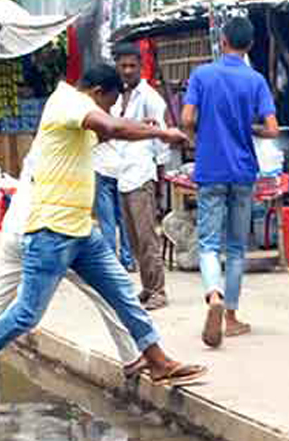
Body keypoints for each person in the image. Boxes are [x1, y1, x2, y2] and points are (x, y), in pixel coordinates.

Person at [0, 65, 206, 404]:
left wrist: (144, 128)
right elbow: (109, 126)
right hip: (52, 229)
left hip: (79, 230)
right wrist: (161, 134)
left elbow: (106, 132)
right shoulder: (70, 102)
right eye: (108, 103)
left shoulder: (75, 108)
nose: (107, 111)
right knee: (26, 313)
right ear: (97, 91)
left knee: (122, 290)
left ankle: (156, 360)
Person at [0, 149, 145, 418]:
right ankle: (132, 357)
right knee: (106, 292)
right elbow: (114, 167)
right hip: (53, 234)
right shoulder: (81, 131)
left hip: (18, 228)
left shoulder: (51, 135)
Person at [181, 16, 279, 348]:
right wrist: (248, 129)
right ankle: (232, 317)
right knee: (237, 247)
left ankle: (213, 296)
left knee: (209, 243)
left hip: (210, 168)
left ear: (222, 41)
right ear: (250, 45)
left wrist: (203, 134)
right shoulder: (256, 80)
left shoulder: (202, 75)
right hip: (243, 171)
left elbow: (187, 119)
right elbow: (273, 129)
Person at [110, 43, 172, 311]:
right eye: (122, 66)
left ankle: (158, 290)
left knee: (147, 236)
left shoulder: (150, 97)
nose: (127, 70)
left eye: (131, 66)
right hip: (122, 173)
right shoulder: (117, 97)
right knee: (133, 237)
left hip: (142, 173)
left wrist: (159, 174)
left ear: (140, 66)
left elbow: (162, 137)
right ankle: (147, 288)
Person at [93, 142, 137, 273]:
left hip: (102, 166)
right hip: (124, 168)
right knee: (125, 218)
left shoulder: (100, 121)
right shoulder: (131, 120)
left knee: (107, 221)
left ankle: (110, 261)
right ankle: (128, 260)